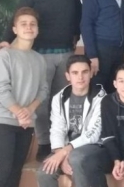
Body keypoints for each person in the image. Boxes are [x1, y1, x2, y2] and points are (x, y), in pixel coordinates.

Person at [0, 0, 82, 161]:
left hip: (66, 54)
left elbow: (78, 18)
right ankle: (44, 143)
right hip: (39, 56)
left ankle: (61, 142)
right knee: (41, 102)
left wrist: (76, 37)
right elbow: (18, 17)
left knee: (63, 101)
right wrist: (6, 40)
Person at [0, 7, 49, 187]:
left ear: (37, 29)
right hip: (2, 120)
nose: (28, 27)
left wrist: (29, 110)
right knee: (1, 170)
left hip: (26, 123)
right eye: (23, 24)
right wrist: (19, 112)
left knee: (15, 171)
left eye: (32, 24)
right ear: (15, 29)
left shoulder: (39, 59)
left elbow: (43, 89)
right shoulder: (3, 56)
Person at [76, 64, 124, 187]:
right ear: (115, 83)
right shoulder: (107, 102)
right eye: (121, 81)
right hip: (115, 151)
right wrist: (117, 160)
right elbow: (108, 136)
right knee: (89, 162)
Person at [37, 55, 106, 187]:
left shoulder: (101, 98)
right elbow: (57, 129)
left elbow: (94, 133)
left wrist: (65, 152)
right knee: (45, 172)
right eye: (75, 73)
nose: (80, 77)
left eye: (85, 72)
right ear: (68, 76)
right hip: (66, 148)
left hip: (94, 147)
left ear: (91, 73)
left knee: (77, 158)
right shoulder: (59, 98)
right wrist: (60, 155)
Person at [81, 0, 124, 93]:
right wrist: (92, 55)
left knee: (114, 93)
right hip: (100, 52)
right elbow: (86, 25)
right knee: (97, 92)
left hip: (117, 51)